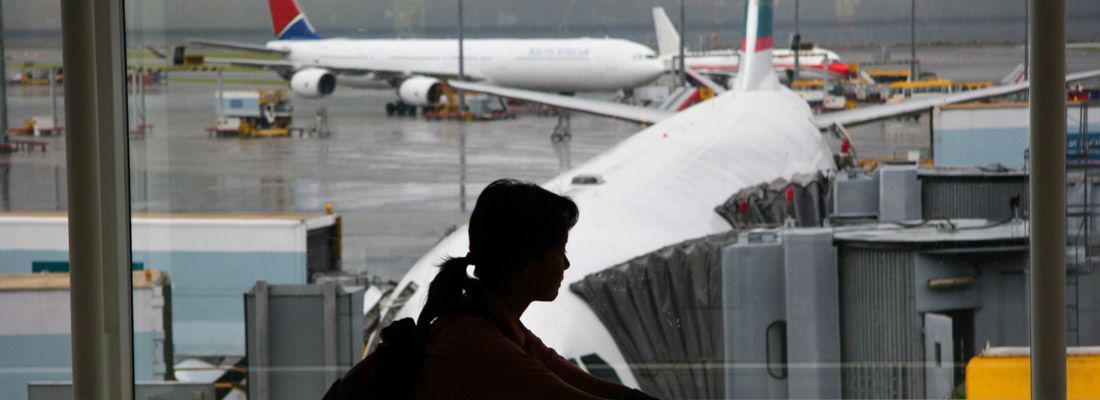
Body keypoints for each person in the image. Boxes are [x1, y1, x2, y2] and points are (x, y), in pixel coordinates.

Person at [414, 178, 657, 400]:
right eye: (561, 252)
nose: (566, 264)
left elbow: (573, 377)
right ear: (527, 265)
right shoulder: (478, 343)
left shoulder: (497, 325)